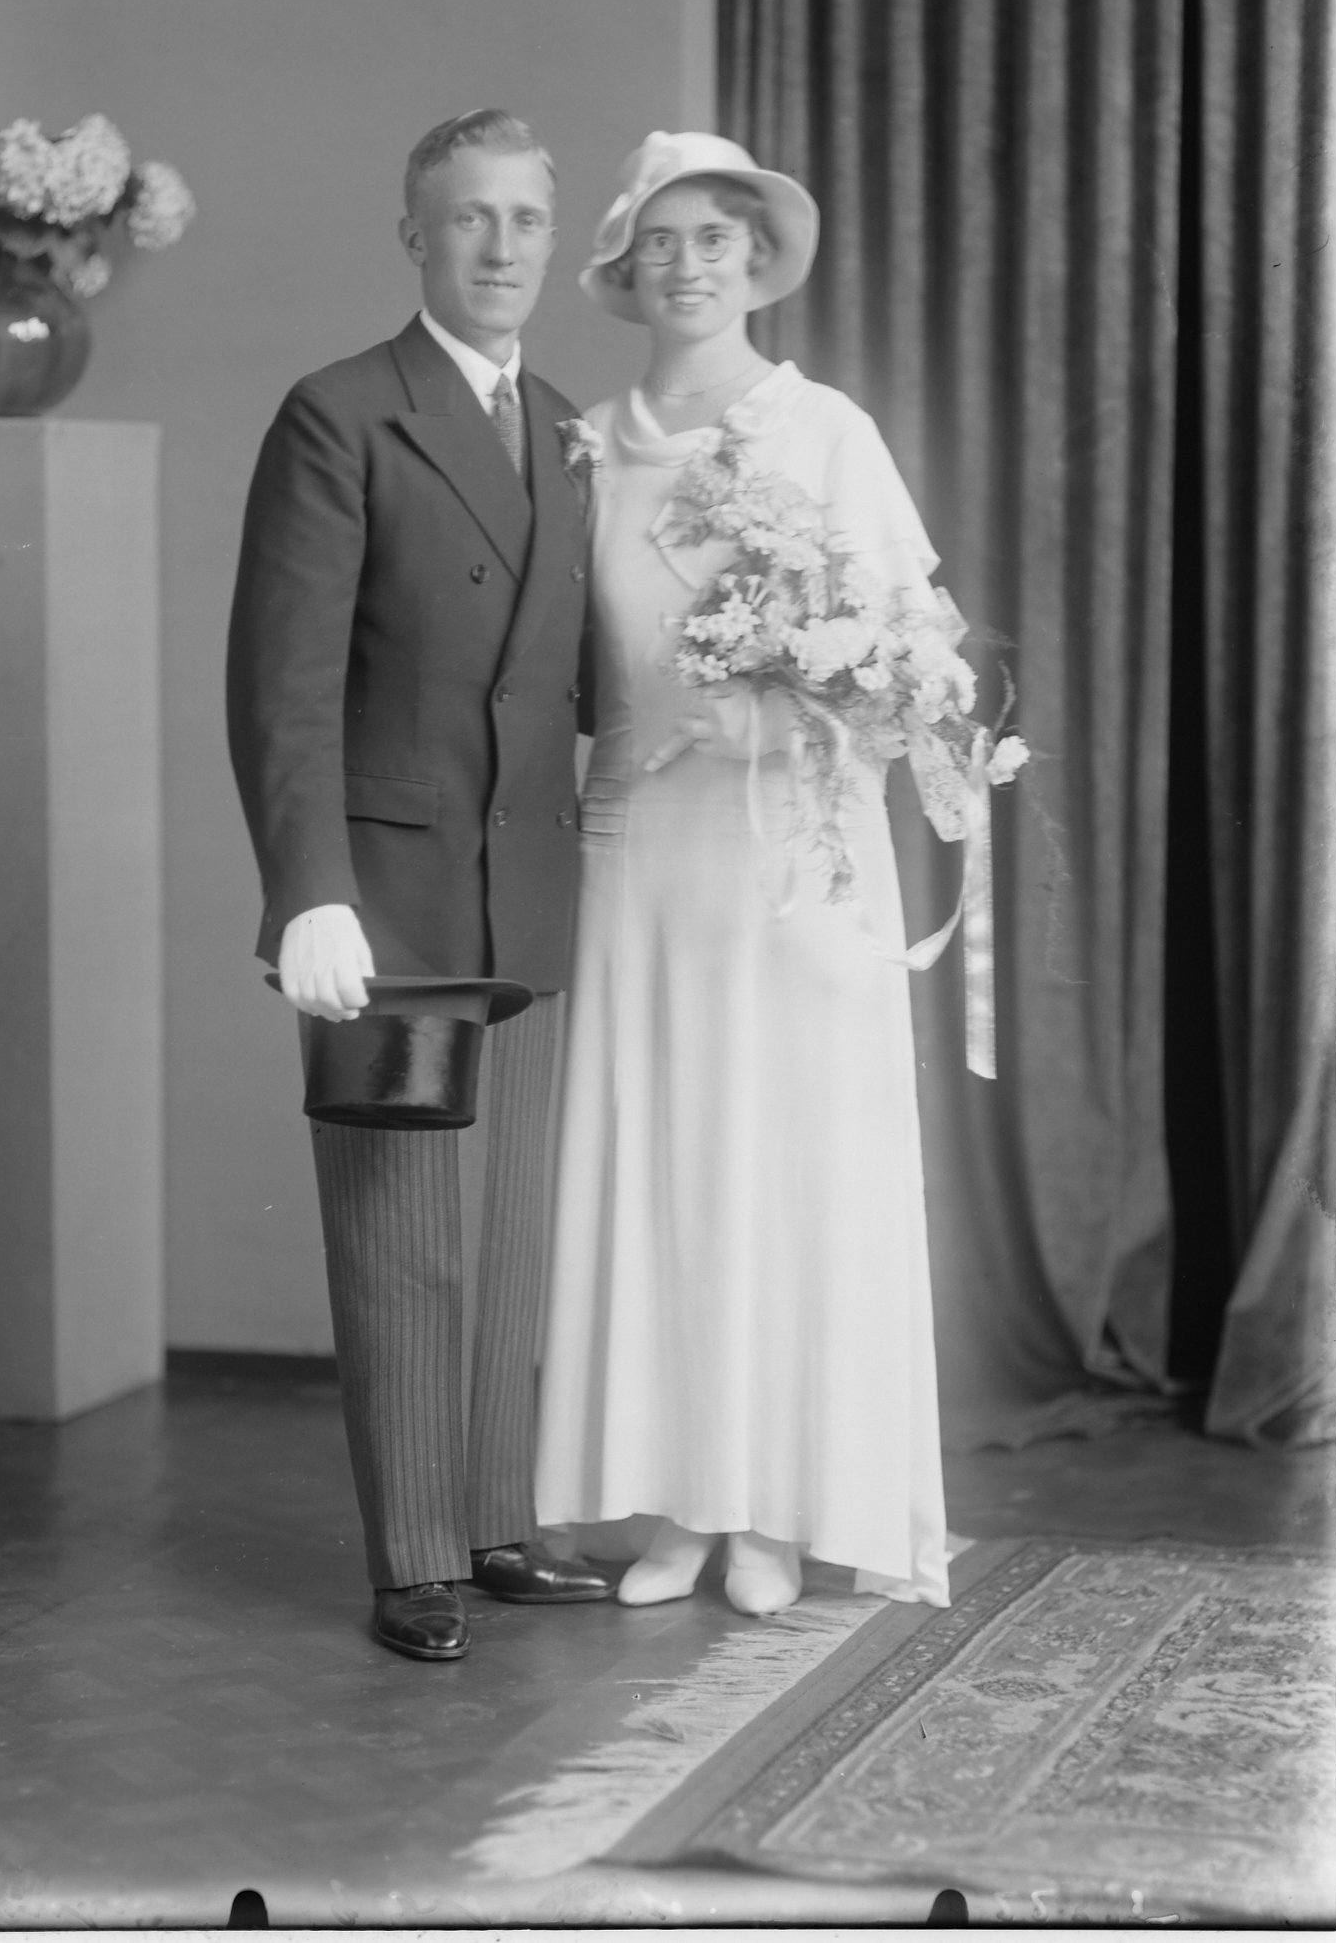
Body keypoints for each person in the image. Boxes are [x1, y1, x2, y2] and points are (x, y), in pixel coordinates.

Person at [534, 131, 952, 1617]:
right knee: (665, 1165)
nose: (688, 263)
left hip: (791, 853)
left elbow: (915, 668)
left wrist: (759, 718)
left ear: (760, 260)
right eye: (659, 239)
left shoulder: (824, 431)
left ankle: (777, 1508)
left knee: (785, 1164)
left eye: (715, 236)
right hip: (643, 850)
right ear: (623, 265)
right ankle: (680, 1505)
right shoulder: (585, 444)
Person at [227, 110, 615, 1663]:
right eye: (470, 217)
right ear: (415, 236)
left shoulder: (569, 428)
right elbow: (280, 685)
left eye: (525, 218)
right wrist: (304, 891)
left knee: (510, 1234)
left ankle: (496, 1523)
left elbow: (588, 678)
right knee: (405, 1237)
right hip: (384, 893)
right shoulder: (340, 415)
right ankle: (414, 1558)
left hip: (530, 880)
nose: (502, 246)